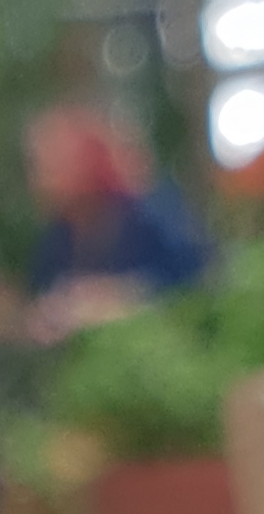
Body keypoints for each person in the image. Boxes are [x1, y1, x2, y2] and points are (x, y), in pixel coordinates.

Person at [24, 106, 212, 342]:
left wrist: (121, 296)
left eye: (55, 164)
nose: (42, 178)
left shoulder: (151, 215)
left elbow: (197, 281)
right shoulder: (57, 240)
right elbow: (44, 302)